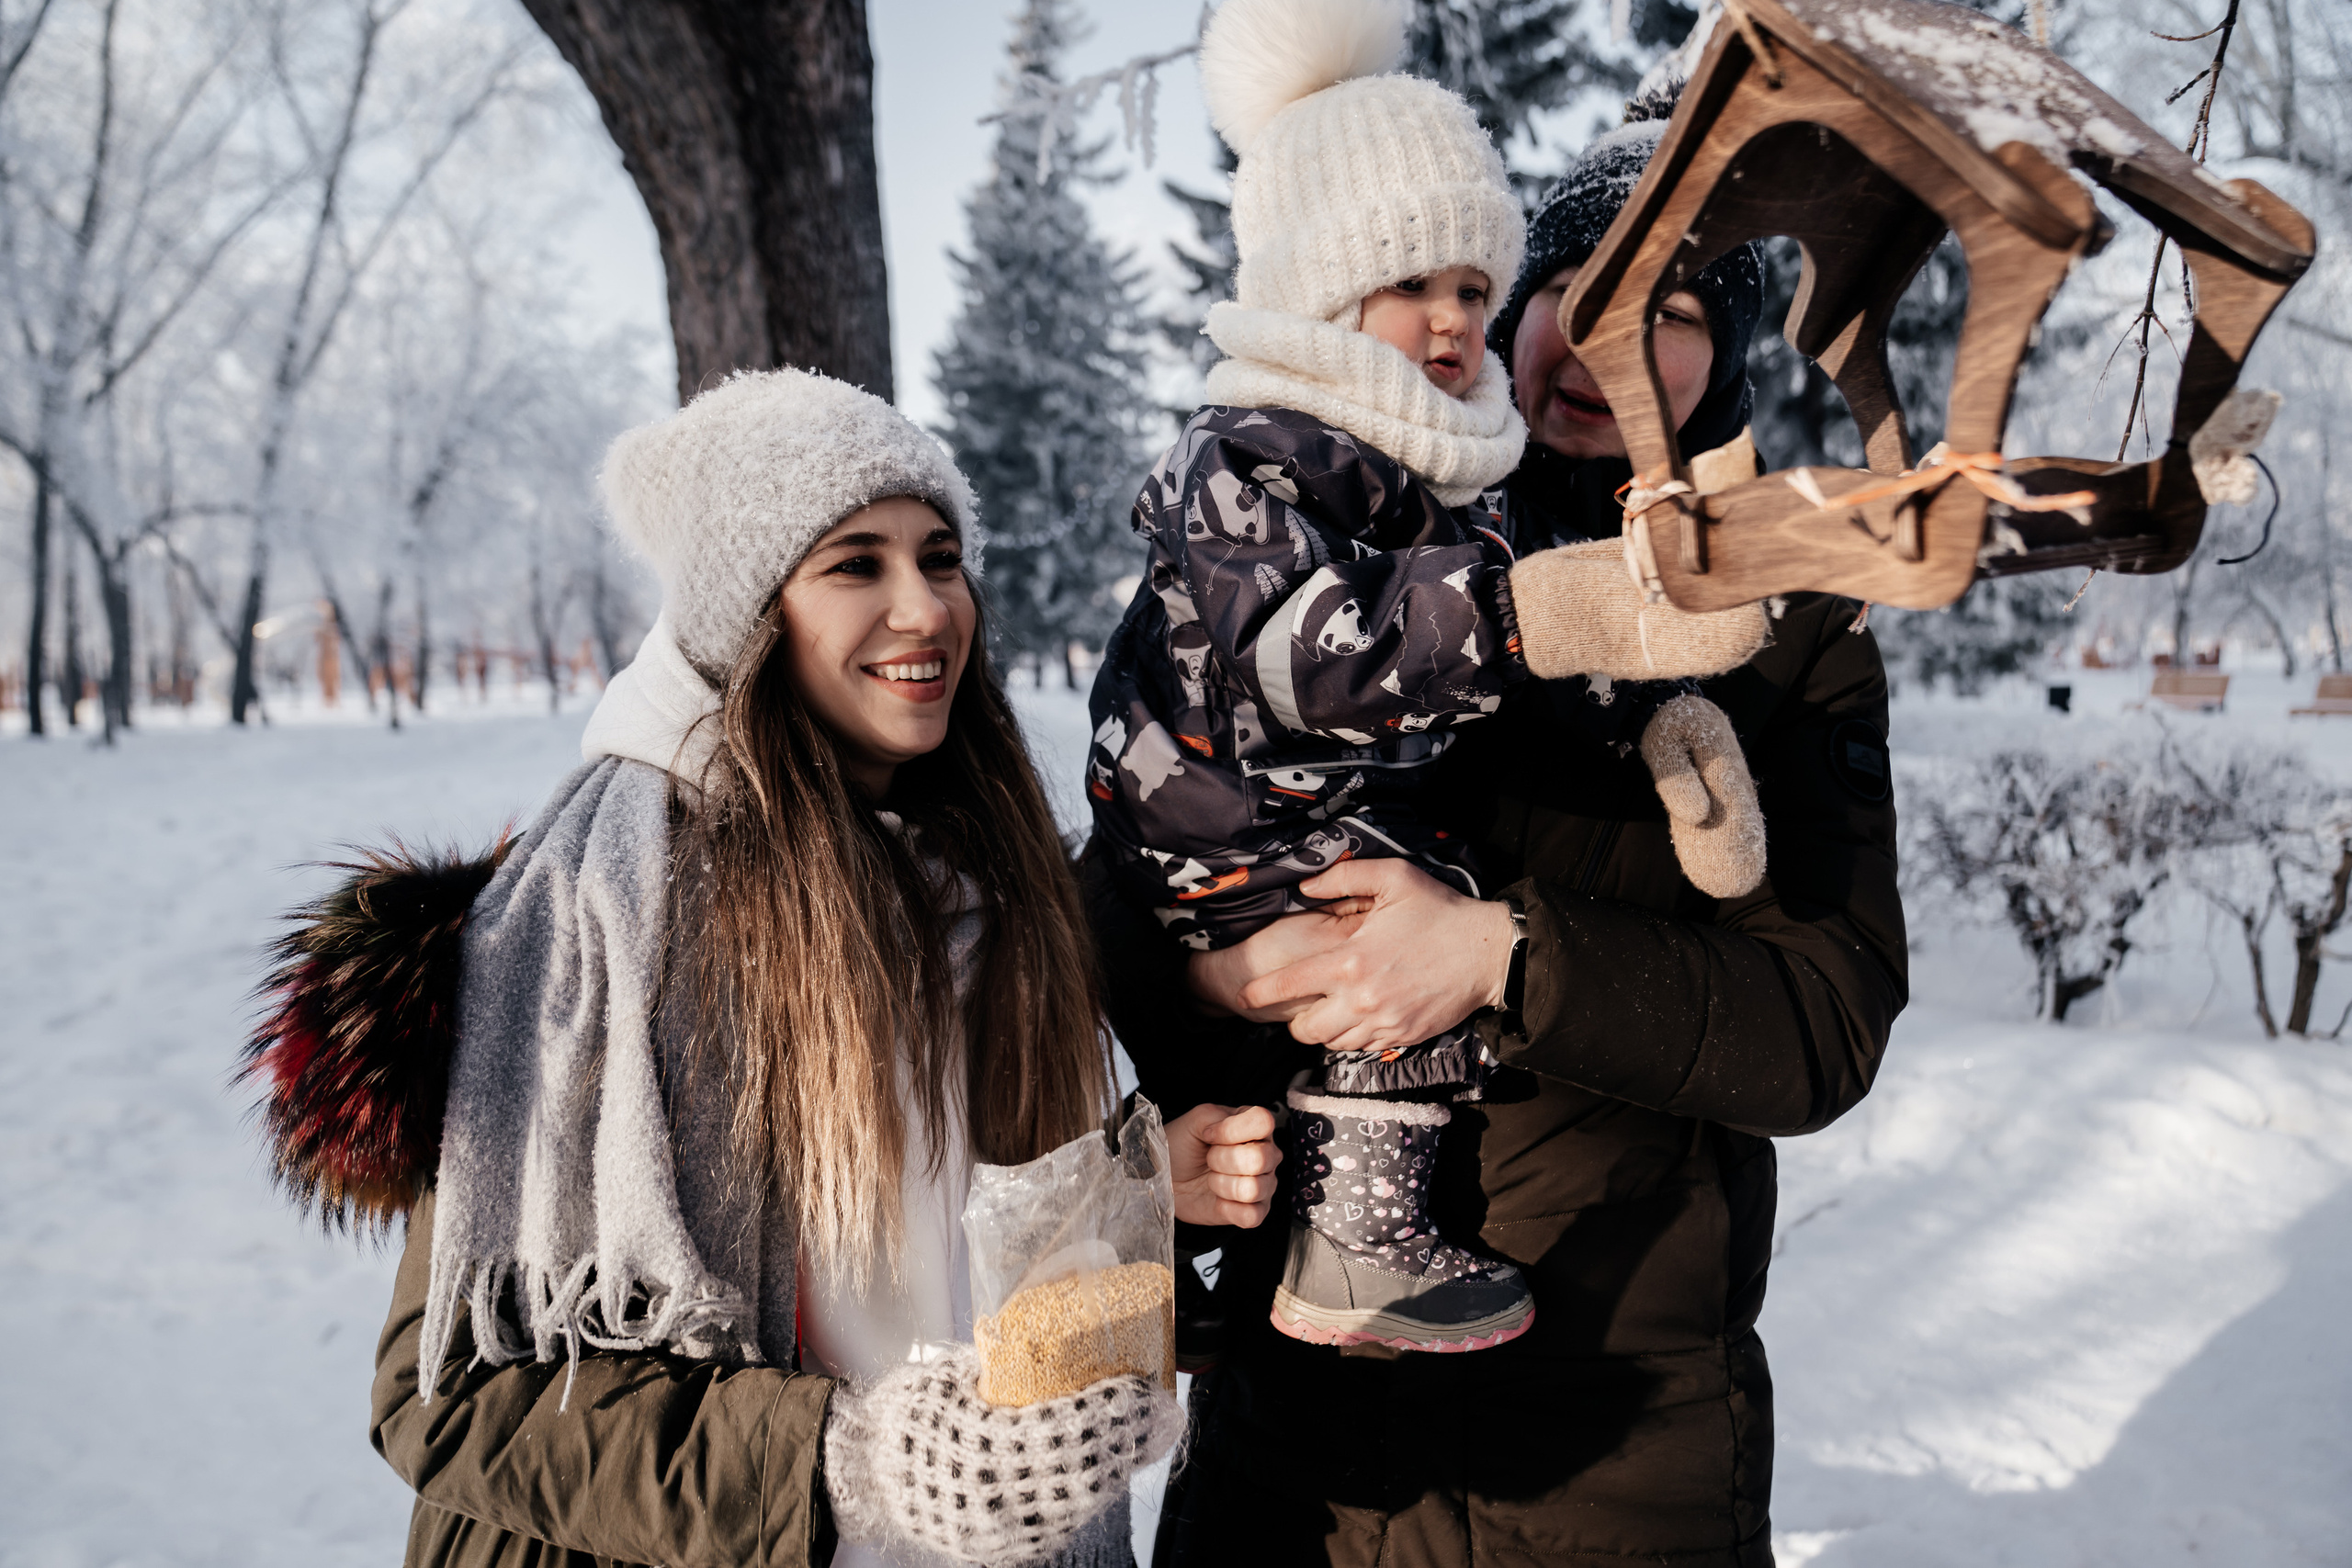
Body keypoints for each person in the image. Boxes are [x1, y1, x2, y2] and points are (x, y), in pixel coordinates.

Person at [242, 369, 1283, 1568]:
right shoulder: (599, 924)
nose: (925, 610)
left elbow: (938, 1239)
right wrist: (862, 1464)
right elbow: (453, 1396)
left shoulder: (998, 893)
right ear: (751, 611)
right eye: (856, 565)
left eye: (940, 558)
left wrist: (1140, 1185)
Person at [1087, 98, 1908, 1567]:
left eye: (1670, 314)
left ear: (1722, 365)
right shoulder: (1339, 544)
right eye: (1572, 296)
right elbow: (1122, 900)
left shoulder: (1786, 632)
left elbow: (1822, 1025)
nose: (1607, 348)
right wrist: (1222, 992)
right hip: (1300, 1466)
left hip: (1614, 1461)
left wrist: (1499, 956)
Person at [1087, 0, 1771, 1360]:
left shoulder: (1460, 483)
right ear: (1324, 291)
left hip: (1630, 1343)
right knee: (1380, 970)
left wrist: (1665, 721)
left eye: (1474, 286)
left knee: (1412, 959)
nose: (1458, 318)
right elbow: (1325, 654)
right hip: (1216, 818)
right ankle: (1346, 1244)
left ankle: (1350, 1239)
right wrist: (1541, 612)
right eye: (1423, 287)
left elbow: (1533, 660)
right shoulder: (1252, 452)